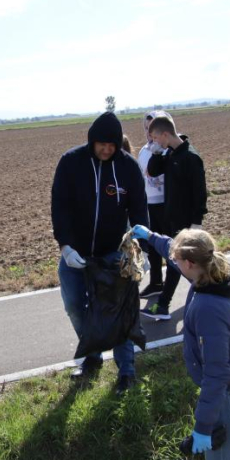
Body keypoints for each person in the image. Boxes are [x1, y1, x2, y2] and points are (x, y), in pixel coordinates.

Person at [132, 224, 230, 460]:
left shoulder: (208, 308)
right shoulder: (215, 275)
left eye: (175, 261)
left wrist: (203, 427)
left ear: (189, 264)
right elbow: (177, 252)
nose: (172, 264)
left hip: (224, 398)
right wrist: (150, 237)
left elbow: (216, 374)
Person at [51, 111, 149, 394]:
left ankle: (126, 372)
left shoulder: (128, 167)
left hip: (113, 253)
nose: (107, 149)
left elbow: (139, 210)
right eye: (102, 144)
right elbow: (60, 207)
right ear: (92, 140)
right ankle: (92, 356)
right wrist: (65, 246)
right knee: (73, 305)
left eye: (112, 145)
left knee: (119, 310)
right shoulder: (71, 163)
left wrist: (140, 247)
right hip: (76, 253)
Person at [142, 114, 208, 320]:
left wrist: (196, 223)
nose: (152, 141)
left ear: (165, 134)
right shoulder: (168, 154)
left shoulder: (190, 157)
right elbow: (152, 172)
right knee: (183, 263)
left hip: (187, 223)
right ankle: (208, 292)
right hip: (171, 219)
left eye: (154, 137)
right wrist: (156, 153)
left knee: (178, 262)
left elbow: (200, 193)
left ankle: (163, 305)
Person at [136, 110, 171, 300]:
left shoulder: (168, 151)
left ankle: (196, 281)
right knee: (153, 245)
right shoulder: (143, 151)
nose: (149, 133)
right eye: (146, 128)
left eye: (152, 128)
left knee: (172, 247)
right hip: (149, 206)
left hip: (166, 206)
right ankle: (156, 282)